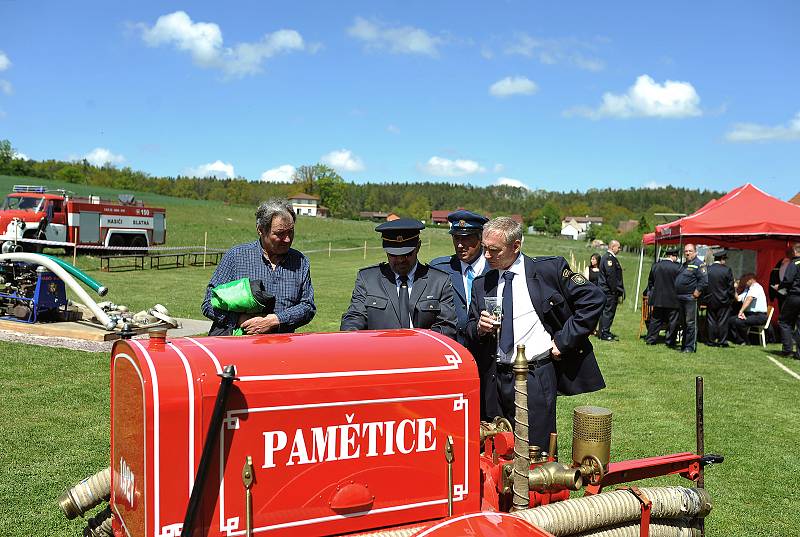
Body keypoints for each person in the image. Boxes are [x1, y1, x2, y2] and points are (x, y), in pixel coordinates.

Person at [466, 217, 605, 445]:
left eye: (494, 250)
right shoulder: (482, 283)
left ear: (516, 246)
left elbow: (594, 299)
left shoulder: (548, 270)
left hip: (535, 378)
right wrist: (479, 329)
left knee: (536, 451)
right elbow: (470, 328)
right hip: (495, 379)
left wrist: (563, 340)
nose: (487, 256)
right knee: (496, 447)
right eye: (484, 248)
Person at [202, 198, 315, 335]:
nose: (287, 239)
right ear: (260, 230)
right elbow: (209, 304)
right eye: (280, 233)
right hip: (236, 349)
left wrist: (276, 320)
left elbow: (307, 307)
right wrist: (240, 320)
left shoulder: (300, 262)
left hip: (282, 349)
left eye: (290, 231)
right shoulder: (236, 257)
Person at [340, 218, 457, 339]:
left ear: (418, 247)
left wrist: (418, 345)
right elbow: (354, 317)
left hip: (423, 353)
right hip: (379, 352)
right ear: (385, 251)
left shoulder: (439, 281)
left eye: (407, 254)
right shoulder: (368, 279)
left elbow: (446, 326)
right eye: (394, 255)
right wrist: (351, 338)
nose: (401, 260)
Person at [430, 209, 490, 345]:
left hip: (487, 349)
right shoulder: (440, 269)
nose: (460, 245)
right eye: (456, 238)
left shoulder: (495, 269)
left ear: (481, 237)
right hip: (452, 346)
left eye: (467, 238)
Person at [645, 248, 681, 346]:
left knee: (655, 320)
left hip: (658, 298)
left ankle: (651, 339)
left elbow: (650, 282)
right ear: (673, 256)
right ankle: (670, 341)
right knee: (672, 322)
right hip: (673, 299)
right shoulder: (678, 267)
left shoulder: (656, 266)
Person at [675, 243, 707, 353]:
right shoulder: (684, 264)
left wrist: (696, 293)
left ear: (695, 252)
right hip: (681, 297)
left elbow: (704, 281)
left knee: (690, 323)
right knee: (683, 324)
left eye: (690, 251)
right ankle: (684, 345)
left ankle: (690, 347)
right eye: (686, 251)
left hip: (690, 298)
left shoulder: (699, 264)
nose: (687, 253)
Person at [705, 250, 736, 347]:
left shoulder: (708, 269)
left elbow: (704, 284)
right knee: (723, 321)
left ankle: (711, 340)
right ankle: (722, 341)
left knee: (711, 321)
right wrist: (731, 298)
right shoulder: (727, 270)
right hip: (723, 300)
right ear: (722, 259)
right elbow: (731, 287)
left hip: (710, 299)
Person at [728, 273, 768, 345]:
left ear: (751, 280)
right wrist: (734, 289)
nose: (744, 282)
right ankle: (740, 340)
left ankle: (746, 341)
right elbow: (738, 299)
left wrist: (741, 311)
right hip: (750, 314)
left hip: (759, 316)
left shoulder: (756, 287)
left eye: (745, 281)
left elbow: (749, 299)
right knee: (731, 320)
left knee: (739, 321)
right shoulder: (747, 289)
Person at [597, 240, 624, 341]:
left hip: (606, 290)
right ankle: (605, 332)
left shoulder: (608, 257)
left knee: (605, 312)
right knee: (608, 312)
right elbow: (611, 277)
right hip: (608, 291)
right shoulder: (609, 258)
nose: (620, 249)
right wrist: (614, 291)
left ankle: (602, 331)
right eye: (619, 247)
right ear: (613, 247)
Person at [777, 242, 800, 359]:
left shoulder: (794, 263)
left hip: (795, 296)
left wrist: (780, 287)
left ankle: (787, 350)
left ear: (795, 251)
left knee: (784, 322)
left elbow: (788, 280)